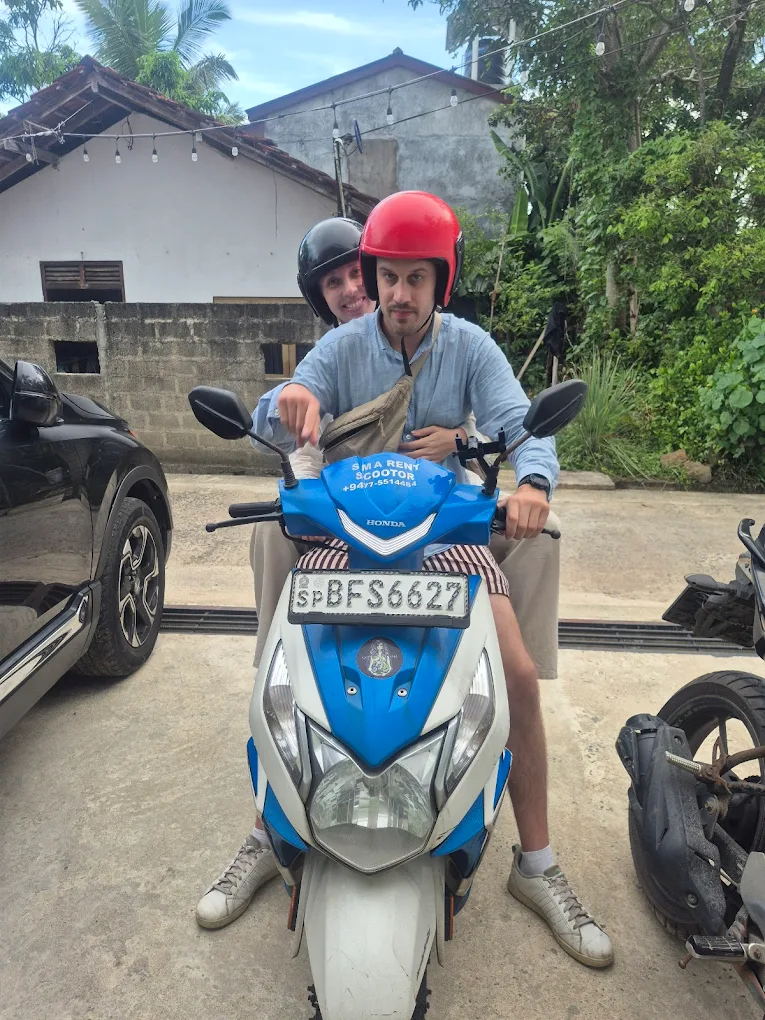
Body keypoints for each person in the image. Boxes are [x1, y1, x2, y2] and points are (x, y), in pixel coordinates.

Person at [196, 207, 582, 959]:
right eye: (387, 277)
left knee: (518, 675)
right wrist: (289, 403)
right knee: (286, 677)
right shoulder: (341, 346)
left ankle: (536, 862)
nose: (398, 293)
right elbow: (288, 402)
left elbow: (520, 420)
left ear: (440, 282)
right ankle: (262, 833)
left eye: (415, 277)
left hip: (443, 542)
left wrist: (532, 480)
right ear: (371, 282)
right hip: (347, 543)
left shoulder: (470, 347)